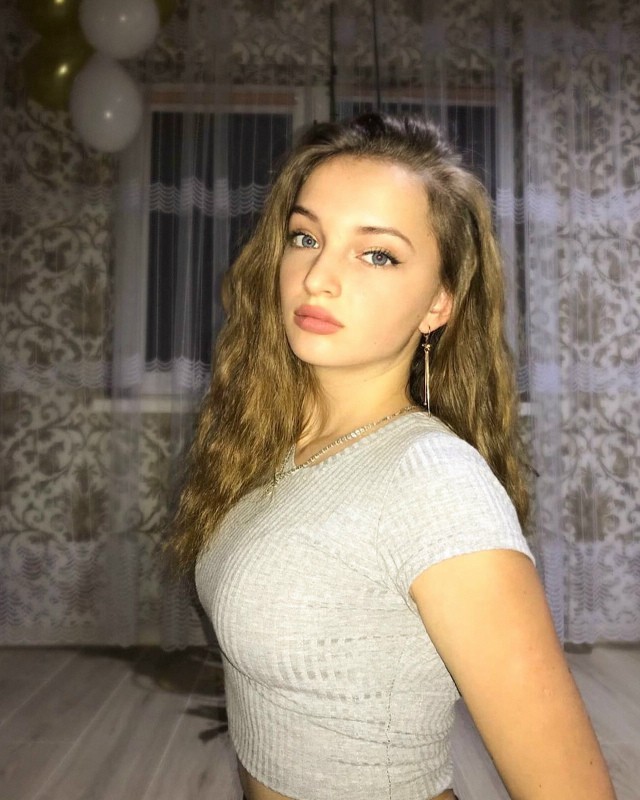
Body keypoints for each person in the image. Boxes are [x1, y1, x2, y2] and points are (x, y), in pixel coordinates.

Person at [169, 113, 616, 800]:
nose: (318, 277)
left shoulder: (435, 484)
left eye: (376, 254)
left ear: (438, 302)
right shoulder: (276, 445)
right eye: (306, 237)